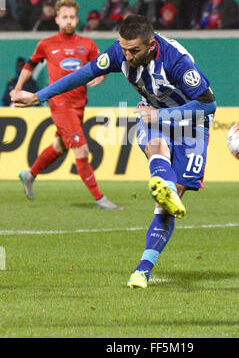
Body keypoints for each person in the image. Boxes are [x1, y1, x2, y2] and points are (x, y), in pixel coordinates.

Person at [11, 14, 216, 289]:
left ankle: (166, 188)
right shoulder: (119, 54)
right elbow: (83, 73)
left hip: (192, 123)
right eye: (124, 49)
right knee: (157, 148)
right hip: (153, 115)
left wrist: (164, 115)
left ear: (151, 45)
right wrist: (39, 96)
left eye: (135, 50)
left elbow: (208, 104)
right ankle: (142, 271)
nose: (128, 56)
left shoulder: (176, 61)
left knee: (169, 203)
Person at [12, 0, 122, 210]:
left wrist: (101, 77)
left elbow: (102, 65)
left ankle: (29, 174)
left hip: (79, 104)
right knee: (81, 150)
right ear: (57, 19)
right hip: (60, 105)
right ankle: (100, 199)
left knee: (59, 147)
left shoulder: (87, 44)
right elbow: (30, 64)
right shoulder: (47, 44)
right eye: (65, 17)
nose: (69, 21)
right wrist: (18, 88)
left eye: (72, 17)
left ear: (76, 18)